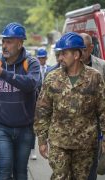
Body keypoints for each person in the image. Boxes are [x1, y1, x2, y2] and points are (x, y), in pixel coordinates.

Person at [34, 32, 105, 180]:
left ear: (76, 55)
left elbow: (103, 110)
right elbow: (42, 110)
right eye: (59, 54)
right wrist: (42, 140)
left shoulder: (94, 77)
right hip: (59, 142)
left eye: (64, 54)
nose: (60, 58)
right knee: (59, 177)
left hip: (85, 144)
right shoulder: (52, 78)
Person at [0, 22, 41, 180]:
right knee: (4, 169)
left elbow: (31, 84)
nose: (4, 45)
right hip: (1, 127)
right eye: (3, 41)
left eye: (9, 42)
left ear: (20, 43)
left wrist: (3, 74)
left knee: (21, 171)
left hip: (25, 128)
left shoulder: (31, 63)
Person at [80, 33, 105, 180]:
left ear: (90, 48)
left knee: (92, 167)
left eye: (84, 49)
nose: (80, 52)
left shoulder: (101, 66)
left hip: (94, 125)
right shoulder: (69, 65)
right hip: (71, 125)